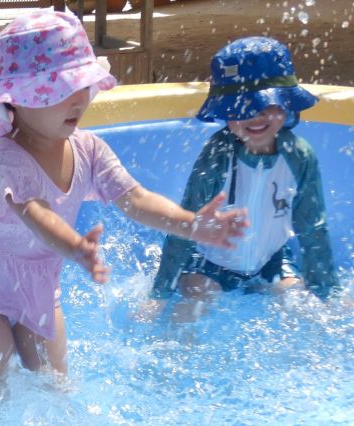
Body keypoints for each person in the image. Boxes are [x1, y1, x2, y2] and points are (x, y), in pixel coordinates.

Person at [0, 10, 248, 388]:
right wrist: (74, 246)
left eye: (81, 87)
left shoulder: (88, 149)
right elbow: (35, 213)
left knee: (56, 386)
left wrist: (192, 224)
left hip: (39, 281)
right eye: (59, 91)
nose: (77, 101)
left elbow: (135, 198)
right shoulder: (8, 156)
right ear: (17, 101)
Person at [143, 37, 339, 323]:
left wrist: (328, 292)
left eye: (266, 105)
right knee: (192, 303)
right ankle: (172, 359)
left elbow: (312, 229)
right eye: (241, 108)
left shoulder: (298, 156)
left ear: (285, 103)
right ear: (225, 112)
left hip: (270, 260)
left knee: (305, 308)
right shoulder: (218, 154)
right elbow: (185, 227)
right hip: (209, 262)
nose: (254, 116)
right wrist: (158, 296)